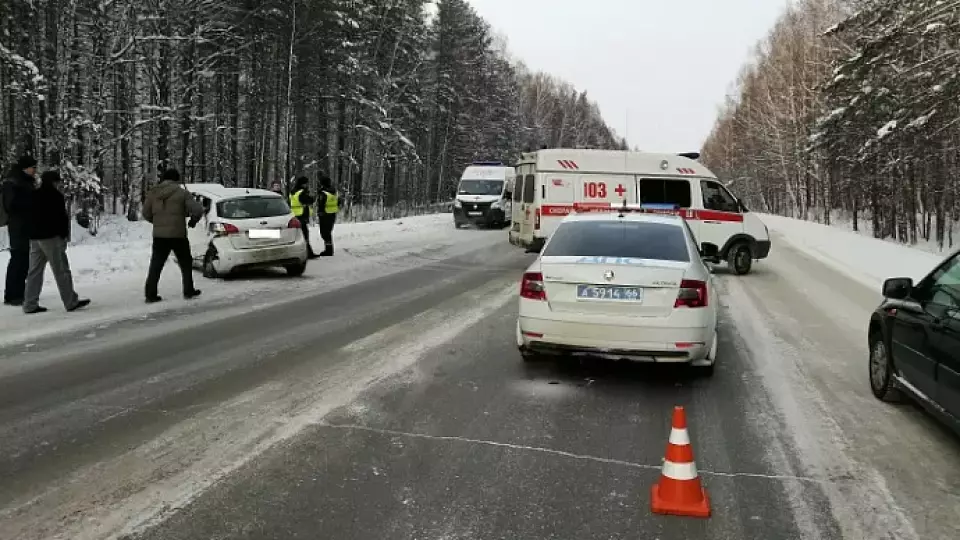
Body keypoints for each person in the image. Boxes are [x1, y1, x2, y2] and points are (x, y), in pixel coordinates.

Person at [22, 171, 90, 314]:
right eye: (58, 181)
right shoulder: (55, 196)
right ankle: (70, 301)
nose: (59, 184)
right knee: (61, 270)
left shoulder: (33, 194)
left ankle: (29, 303)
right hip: (51, 238)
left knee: (34, 271)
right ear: (53, 182)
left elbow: (27, 216)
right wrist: (64, 235)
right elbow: (60, 218)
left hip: (35, 238)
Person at [142, 168, 204, 303]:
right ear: (177, 179)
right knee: (186, 263)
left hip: (159, 236)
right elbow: (198, 210)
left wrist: (157, 222)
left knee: (156, 264)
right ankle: (188, 290)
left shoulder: (153, 193)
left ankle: (150, 294)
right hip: (178, 235)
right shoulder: (182, 193)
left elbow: (145, 213)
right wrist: (193, 221)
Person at [2, 155, 38, 306]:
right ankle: (13, 294)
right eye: (32, 167)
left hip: (25, 225)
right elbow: (11, 205)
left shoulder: (24, 181)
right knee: (18, 259)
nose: (34, 170)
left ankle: (18, 292)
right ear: (25, 168)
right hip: (18, 226)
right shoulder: (13, 182)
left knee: (23, 260)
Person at [289, 176, 318, 259]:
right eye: (306, 183)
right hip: (301, 216)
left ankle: (301, 253)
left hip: (293, 216)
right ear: (303, 184)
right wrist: (313, 198)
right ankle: (308, 253)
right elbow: (308, 200)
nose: (307, 185)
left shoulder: (292, 192)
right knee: (305, 235)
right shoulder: (301, 192)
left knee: (297, 235)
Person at [316, 175, 340, 256]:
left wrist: (319, 212)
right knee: (328, 232)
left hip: (324, 214)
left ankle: (328, 250)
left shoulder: (323, 193)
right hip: (333, 213)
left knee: (324, 233)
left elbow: (321, 204)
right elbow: (338, 201)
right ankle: (329, 249)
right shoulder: (334, 191)